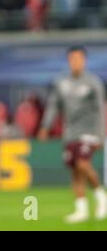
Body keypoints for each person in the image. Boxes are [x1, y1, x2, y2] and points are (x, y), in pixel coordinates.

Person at [38, 45, 106, 223]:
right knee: (75, 170)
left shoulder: (93, 82)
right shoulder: (62, 82)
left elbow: (101, 108)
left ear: (84, 60)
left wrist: (101, 134)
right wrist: (45, 126)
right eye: (72, 59)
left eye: (79, 59)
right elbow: (53, 106)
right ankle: (81, 209)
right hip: (70, 133)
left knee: (83, 163)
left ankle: (101, 196)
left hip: (89, 131)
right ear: (69, 61)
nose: (76, 62)